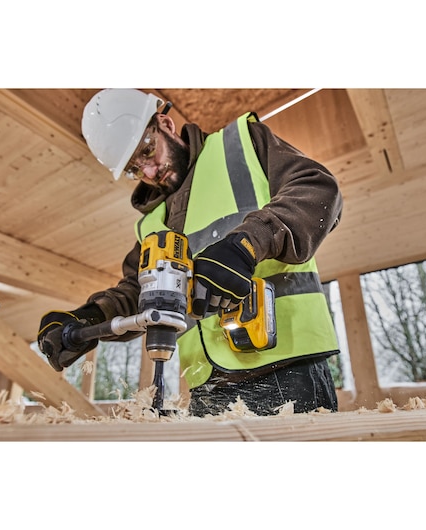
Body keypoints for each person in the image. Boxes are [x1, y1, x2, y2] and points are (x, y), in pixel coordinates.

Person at [38, 88, 343, 417]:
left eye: (147, 150)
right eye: (133, 169)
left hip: (286, 366)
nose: (149, 172)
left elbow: (317, 188)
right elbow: (137, 292)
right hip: (206, 386)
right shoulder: (150, 225)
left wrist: (246, 246)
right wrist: (89, 318)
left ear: (165, 123)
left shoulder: (239, 145)